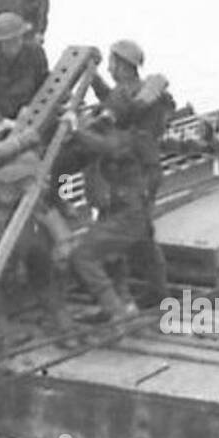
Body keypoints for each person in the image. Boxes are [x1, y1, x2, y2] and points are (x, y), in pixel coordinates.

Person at [91, 40, 174, 305]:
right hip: (148, 172)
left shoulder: (124, 96)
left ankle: (116, 299)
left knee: (111, 233)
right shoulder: (144, 93)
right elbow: (116, 101)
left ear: (120, 64)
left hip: (127, 176)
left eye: (111, 63)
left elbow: (111, 112)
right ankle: (157, 291)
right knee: (142, 232)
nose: (109, 67)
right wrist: (95, 80)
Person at [0, 136, 77, 338]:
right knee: (44, 281)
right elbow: (53, 192)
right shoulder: (30, 159)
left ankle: (3, 338)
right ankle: (67, 331)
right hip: (37, 231)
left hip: (8, 234)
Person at [65, 95, 155, 324]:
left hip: (127, 214)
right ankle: (126, 303)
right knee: (113, 257)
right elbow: (66, 171)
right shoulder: (116, 139)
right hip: (121, 212)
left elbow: (107, 146)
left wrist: (76, 129)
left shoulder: (126, 140)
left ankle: (114, 309)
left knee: (83, 255)